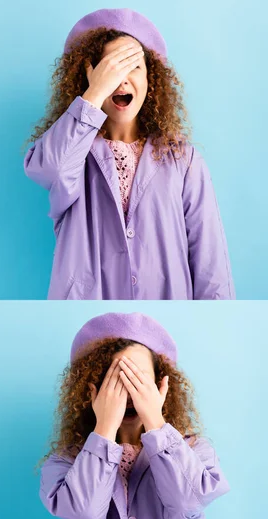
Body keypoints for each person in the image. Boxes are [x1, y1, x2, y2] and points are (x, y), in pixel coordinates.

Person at [24, 8, 234, 300]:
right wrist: (94, 95)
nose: (121, 80)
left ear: (151, 80)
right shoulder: (73, 152)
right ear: (89, 78)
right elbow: (49, 169)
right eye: (110, 69)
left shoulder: (183, 160)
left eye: (133, 66)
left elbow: (212, 267)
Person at [40, 312, 229, 519]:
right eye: (116, 381)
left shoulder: (193, 450)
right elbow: (85, 516)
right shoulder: (66, 461)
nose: (129, 393)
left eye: (139, 380)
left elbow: (187, 503)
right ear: (92, 389)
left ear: (161, 386)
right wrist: (104, 429)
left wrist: (155, 420)